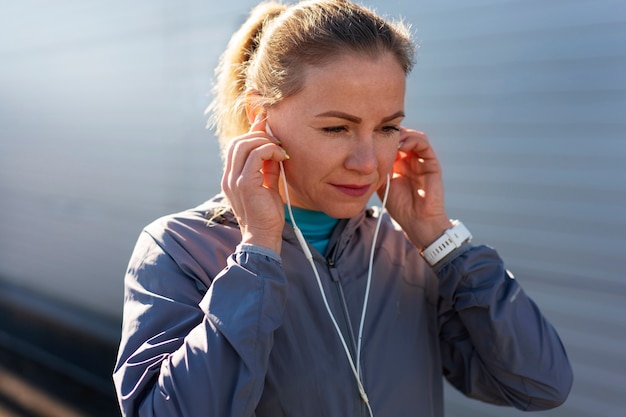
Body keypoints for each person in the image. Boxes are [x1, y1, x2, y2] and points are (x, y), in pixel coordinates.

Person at [113, 1, 573, 416]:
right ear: (262, 118)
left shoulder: (406, 252)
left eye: (388, 127)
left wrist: (439, 236)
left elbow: (540, 385)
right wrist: (256, 254)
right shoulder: (182, 249)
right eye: (336, 128)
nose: (367, 162)